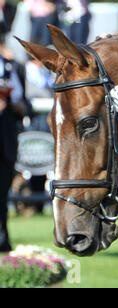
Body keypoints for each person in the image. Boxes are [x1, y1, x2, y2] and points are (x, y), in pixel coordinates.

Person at [0, 51, 25, 252]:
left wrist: (7, 102)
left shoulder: (11, 67)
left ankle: (2, 239)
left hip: (5, 138)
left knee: (2, 191)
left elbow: (23, 105)